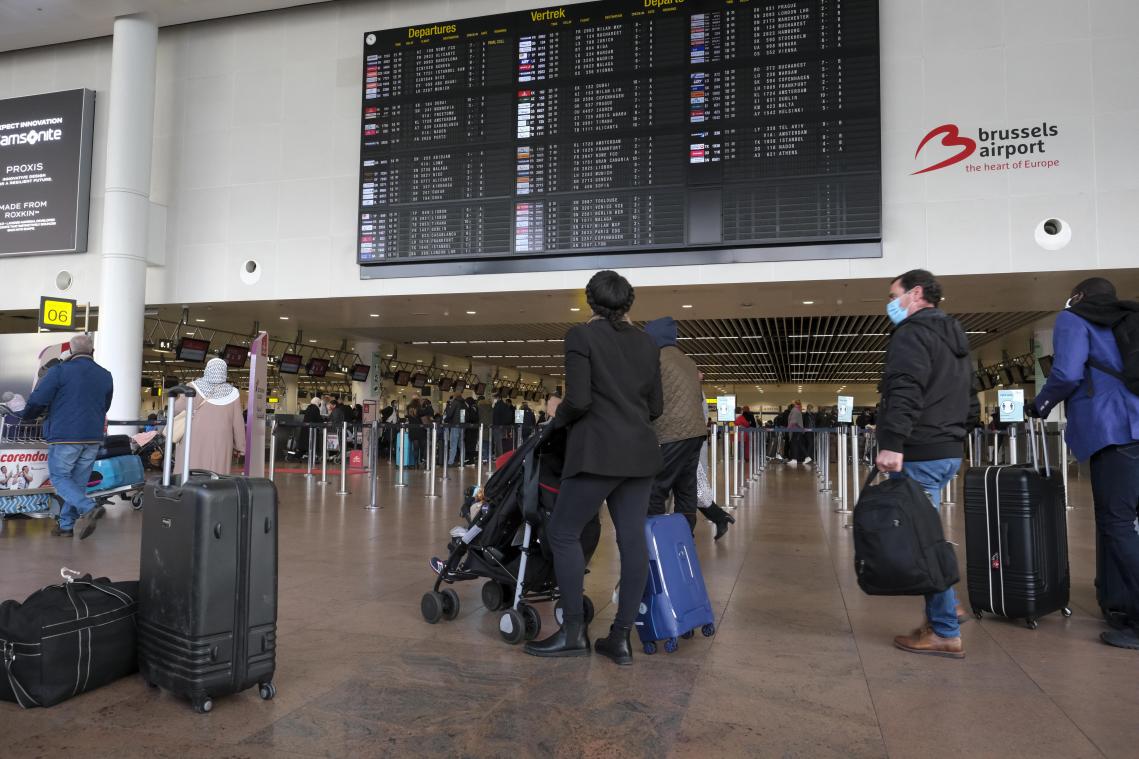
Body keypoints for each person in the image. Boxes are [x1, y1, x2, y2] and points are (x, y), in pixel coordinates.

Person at [524, 271, 663, 665]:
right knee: (631, 540)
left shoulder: (580, 336)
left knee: (564, 531)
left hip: (597, 453)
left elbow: (579, 400)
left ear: (591, 303)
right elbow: (656, 408)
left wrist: (556, 416)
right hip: (639, 454)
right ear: (628, 304)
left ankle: (572, 634)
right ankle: (620, 638)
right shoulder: (648, 343)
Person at [1029, 276, 1139, 650]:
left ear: (1078, 296)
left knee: (1118, 523)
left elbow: (1067, 373)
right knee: (1128, 523)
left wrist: (1041, 404)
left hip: (1113, 431)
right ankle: (1118, 602)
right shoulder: (1128, 318)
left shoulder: (1073, 318)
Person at [875, 269, 977, 659]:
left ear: (915, 293)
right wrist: (956, 434)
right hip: (948, 448)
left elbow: (905, 387)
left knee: (922, 540)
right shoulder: (955, 335)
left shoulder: (912, 333)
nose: (891, 303)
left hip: (920, 448)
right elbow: (969, 398)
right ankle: (946, 609)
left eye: (893, 294)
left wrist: (893, 442)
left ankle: (946, 628)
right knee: (926, 533)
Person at [643, 316, 732, 539]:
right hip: (695, 434)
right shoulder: (688, 361)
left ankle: (657, 539)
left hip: (671, 432)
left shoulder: (654, 359)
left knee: (655, 488)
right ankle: (683, 537)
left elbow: (647, 397)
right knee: (686, 488)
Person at [19, 334, 113, 539]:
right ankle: (66, 526)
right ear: (92, 352)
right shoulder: (105, 375)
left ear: (70, 351)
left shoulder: (59, 371)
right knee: (77, 483)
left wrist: (26, 416)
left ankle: (88, 507)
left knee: (60, 478)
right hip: (92, 436)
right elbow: (105, 405)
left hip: (65, 435)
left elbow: (38, 399)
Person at [174, 358, 245, 475]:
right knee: (216, 471)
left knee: (190, 468)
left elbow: (176, 409)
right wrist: (240, 447)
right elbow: (238, 423)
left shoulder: (192, 387)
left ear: (207, 370)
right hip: (222, 440)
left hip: (194, 436)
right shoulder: (233, 393)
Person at [443, 393, 463, 465]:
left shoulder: (455, 403)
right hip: (462, 426)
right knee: (461, 444)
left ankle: (450, 462)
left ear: (454, 397)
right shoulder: (463, 403)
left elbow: (449, 414)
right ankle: (462, 460)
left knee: (453, 444)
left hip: (455, 425)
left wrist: (448, 405)